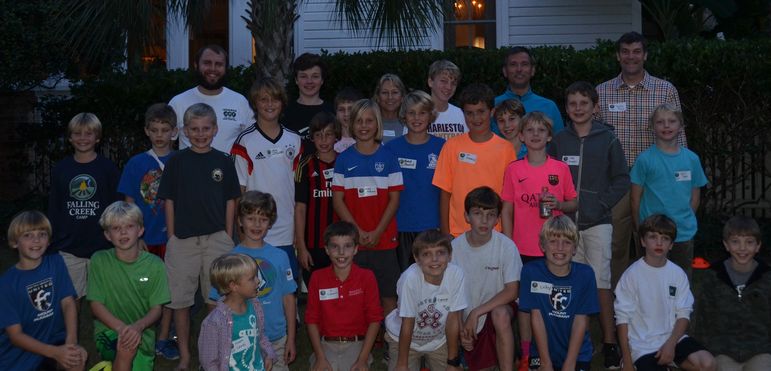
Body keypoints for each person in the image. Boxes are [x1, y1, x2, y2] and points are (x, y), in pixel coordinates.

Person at [547, 81, 630, 368]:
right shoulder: (559, 140)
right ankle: (574, 342)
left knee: (601, 282)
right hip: (566, 224)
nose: (578, 109)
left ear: (595, 107)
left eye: (584, 103)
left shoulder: (607, 139)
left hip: (597, 223)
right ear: (566, 108)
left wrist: (599, 205)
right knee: (570, 282)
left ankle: (609, 342)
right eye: (572, 104)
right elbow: (551, 177)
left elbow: (621, 179)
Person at [596, 31, 685, 287]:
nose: (631, 56)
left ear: (645, 55)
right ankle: (619, 299)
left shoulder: (665, 90)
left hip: (655, 178)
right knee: (616, 242)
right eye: (625, 51)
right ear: (618, 55)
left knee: (657, 238)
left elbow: (679, 133)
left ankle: (662, 293)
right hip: (618, 179)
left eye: (636, 51)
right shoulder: (602, 92)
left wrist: (679, 175)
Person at [157, 103, 241, 370]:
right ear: (184, 131)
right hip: (183, 241)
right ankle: (184, 355)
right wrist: (171, 236)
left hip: (216, 239)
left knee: (215, 301)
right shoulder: (176, 162)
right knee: (180, 301)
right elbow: (168, 200)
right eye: (194, 129)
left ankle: (213, 355)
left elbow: (231, 200)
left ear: (215, 129)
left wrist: (227, 235)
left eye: (206, 129)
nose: (200, 134)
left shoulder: (223, 161)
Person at [501, 112, 578, 369]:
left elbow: (574, 202)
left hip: (554, 248)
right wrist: (509, 243)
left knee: (552, 300)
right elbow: (507, 208)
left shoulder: (560, 168)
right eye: (530, 130)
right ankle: (526, 354)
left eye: (541, 130)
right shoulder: (514, 169)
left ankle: (553, 349)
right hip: (523, 247)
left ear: (549, 135)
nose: (535, 135)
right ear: (521, 136)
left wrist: (559, 204)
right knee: (526, 303)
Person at [614, 214, 716, 371]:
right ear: (642, 241)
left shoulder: (677, 273)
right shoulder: (631, 275)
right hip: (642, 345)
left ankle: (671, 361)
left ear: (671, 245)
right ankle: (638, 364)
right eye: (653, 237)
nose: (659, 242)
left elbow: (684, 313)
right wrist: (627, 360)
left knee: (708, 364)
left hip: (673, 337)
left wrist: (671, 344)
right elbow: (622, 319)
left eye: (665, 238)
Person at [209, 191, 298, 371]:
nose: (257, 225)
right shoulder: (229, 260)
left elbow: (289, 299)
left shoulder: (280, 257)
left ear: (270, 223)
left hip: (276, 339)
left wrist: (291, 338)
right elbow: (214, 302)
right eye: (250, 218)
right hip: (240, 340)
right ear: (240, 221)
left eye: (263, 219)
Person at [117, 103, 178, 360]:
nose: (160, 135)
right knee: (143, 288)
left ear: (175, 132)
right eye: (155, 130)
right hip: (146, 237)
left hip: (173, 238)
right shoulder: (136, 163)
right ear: (147, 131)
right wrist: (136, 237)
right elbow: (129, 202)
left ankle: (164, 338)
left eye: (165, 130)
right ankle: (138, 333)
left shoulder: (181, 160)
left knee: (169, 290)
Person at [332, 99, 404, 315]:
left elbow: (394, 199)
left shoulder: (389, 157)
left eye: (369, 121)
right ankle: (361, 342)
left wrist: (378, 231)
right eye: (359, 121)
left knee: (388, 294)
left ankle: (390, 341)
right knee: (356, 292)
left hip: (384, 238)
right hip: (355, 241)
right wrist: (357, 232)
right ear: (352, 125)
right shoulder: (343, 159)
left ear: (377, 124)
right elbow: (338, 200)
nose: (364, 126)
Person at [231, 77, 303, 282]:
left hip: (286, 228)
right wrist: (241, 229)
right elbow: (239, 190)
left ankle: (291, 316)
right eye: (263, 100)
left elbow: (299, 190)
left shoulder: (294, 139)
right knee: (254, 286)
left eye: (275, 99)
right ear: (255, 104)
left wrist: (299, 232)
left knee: (286, 286)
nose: (269, 105)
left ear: (282, 103)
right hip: (255, 227)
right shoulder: (245, 141)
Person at [88, 201, 170, 371]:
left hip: (143, 332)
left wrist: (137, 327)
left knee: (135, 358)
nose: (123, 232)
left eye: (129, 226)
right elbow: (95, 305)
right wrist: (123, 329)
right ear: (107, 235)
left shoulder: (155, 265)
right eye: (116, 228)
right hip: (108, 331)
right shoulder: (99, 260)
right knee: (126, 349)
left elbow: (157, 309)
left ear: (140, 230)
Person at [0, 211, 86, 371]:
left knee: (77, 357)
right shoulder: (7, 284)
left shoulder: (56, 263)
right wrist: (55, 353)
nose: (36, 240)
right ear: (14, 242)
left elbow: (68, 303)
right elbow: (16, 336)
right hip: (20, 355)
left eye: (42, 234)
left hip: (55, 340)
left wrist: (71, 343)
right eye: (27, 235)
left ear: (48, 241)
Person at [47, 112, 120, 300]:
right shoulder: (61, 169)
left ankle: (105, 331)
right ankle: (72, 331)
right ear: (70, 137)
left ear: (97, 138)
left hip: (103, 246)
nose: (83, 138)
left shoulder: (108, 169)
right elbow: (55, 208)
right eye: (77, 133)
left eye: (89, 133)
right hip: (69, 247)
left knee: (106, 298)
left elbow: (116, 208)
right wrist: (53, 240)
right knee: (70, 299)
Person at [630, 103, 707, 278]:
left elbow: (695, 196)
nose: (666, 126)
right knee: (648, 279)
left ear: (681, 127)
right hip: (651, 233)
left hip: (682, 233)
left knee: (680, 278)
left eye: (672, 121)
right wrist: (639, 227)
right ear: (652, 127)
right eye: (660, 122)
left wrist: (685, 219)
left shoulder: (692, 159)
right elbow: (635, 198)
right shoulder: (644, 160)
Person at [432, 83, 517, 237]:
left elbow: (508, 198)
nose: (476, 118)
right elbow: (444, 193)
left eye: (481, 112)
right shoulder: (451, 146)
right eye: (469, 113)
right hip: (458, 232)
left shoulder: (506, 149)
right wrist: (445, 232)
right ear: (463, 114)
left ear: (491, 112)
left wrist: (506, 232)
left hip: (494, 232)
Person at [452, 187, 522, 371]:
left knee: (500, 314)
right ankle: (456, 356)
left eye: (491, 215)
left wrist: (476, 312)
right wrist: (461, 327)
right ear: (467, 216)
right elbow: (452, 294)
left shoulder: (506, 246)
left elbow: (512, 290)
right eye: (477, 213)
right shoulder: (454, 248)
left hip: (495, 311)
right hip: (464, 313)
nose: (484, 220)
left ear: (498, 219)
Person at [519, 215, 599, 371]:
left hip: (577, 353)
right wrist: (545, 362)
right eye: (553, 241)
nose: (560, 248)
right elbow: (536, 317)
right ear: (542, 245)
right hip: (541, 352)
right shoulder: (531, 272)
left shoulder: (586, 275)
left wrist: (570, 363)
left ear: (575, 248)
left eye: (567, 242)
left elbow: (581, 321)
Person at [691, 216, 771, 371]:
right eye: (735, 241)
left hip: (760, 349)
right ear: (726, 245)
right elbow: (703, 319)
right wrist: (702, 350)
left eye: (749, 242)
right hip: (722, 350)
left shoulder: (767, 276)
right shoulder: (713, 276)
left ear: (758, 246)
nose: (742, 248)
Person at [305, 221, 383, 371]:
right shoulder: (317, 277)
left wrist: (362, 359)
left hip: (357, 344)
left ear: (355, 249)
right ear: (327, 250)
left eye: (347, 246)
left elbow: (375, 319)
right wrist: (320, 358)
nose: (341, 252)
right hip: (326, 345)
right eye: (335, 246)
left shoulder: (367, 277)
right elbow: (311, 319)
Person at [384, 230, 467, 371]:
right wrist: (402, 365)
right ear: (417, 259)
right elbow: (408, 322)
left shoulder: (456, 274)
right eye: (426, 254)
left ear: (450, 255)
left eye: (440, 253)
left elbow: (453, 318)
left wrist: (452, 362)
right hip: (403, 339)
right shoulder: (409, 279)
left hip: (438, 340)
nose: (434, 259)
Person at [384, 90, 446, 271]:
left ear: (430, 115)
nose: (416, 118)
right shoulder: (391, 149)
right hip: (401, 226)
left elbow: (446, 192)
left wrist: (444, 228)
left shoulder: (442, 147)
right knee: (404, 284)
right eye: (411, 113)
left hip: (432, 227)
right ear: (404, 116)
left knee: (432, 281)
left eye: (422, 113)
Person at [199, 253, 277, 371]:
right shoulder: (214, 322)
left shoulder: (255, 307)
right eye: (252, 279)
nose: (258, 281)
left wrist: (269, 355)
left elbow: (260, 337)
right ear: (234, 286)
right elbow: (209, 361)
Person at [169, 44, 253, 153]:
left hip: (230, 170)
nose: (213, 69)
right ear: (196, 65)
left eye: (219, 64)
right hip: (188, 170)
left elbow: (252, 143)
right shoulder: (178, 102)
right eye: (207, 63)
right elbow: (166, 146)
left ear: (225, 68)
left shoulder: (240, 102)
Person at [294, 112, 340, 285]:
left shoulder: (345, 162)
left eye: (328, 134)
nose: (323, 140)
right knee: (317, 292)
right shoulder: (305, 166)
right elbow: (300, 208)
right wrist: (301, 246)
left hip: (341, 241)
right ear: (312, 138)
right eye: (318, 135)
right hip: (313, 243)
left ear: (336, 136)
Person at [493, 46, 564, 137]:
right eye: (513, 64)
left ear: (533, 70)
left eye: (524, 64)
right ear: (505, 71)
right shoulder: (493, 106)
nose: (519, 69)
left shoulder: (549, 107)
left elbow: (559, 145)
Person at [282, 52, 334, 139]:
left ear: (322, 80)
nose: (309, 81)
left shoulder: (332, 112)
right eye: (303, 76)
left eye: (315, 76)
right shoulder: (284, 113)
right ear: (296, 80)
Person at [426, 59, 468, 139]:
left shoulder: (462, 115)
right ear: (430, 82)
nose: (449, 87)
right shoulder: (418, 114)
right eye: (443, 81)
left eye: (453, 83)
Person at [374, 74, 407, 144]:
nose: (390, 97)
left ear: (402, 97)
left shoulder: (411, 124)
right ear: (377, 97)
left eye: (395, 92)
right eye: (384, 92)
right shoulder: (370, 125)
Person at [333, 87, 364, 153]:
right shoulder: (330, 141)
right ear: (336, 114)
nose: (346, 114)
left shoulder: (367, 139)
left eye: (350, 109)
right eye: (341, 109)